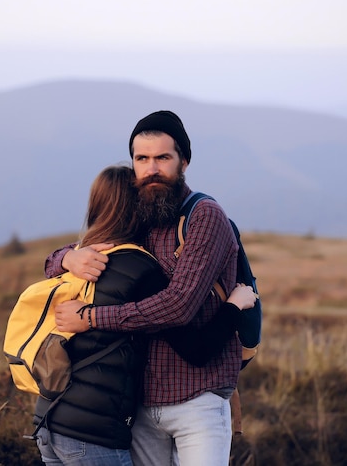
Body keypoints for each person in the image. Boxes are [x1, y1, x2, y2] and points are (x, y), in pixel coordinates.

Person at [50, 110, 250, 466]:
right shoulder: (138, 213)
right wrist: (68, 258)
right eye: (142, 159)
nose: (152, 168)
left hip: (198, 399)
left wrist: (92, 318)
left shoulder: (204, 216)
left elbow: (178, 306)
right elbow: (61, 260)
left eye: (162, 158)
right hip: (141, 406)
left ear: (183, 162)